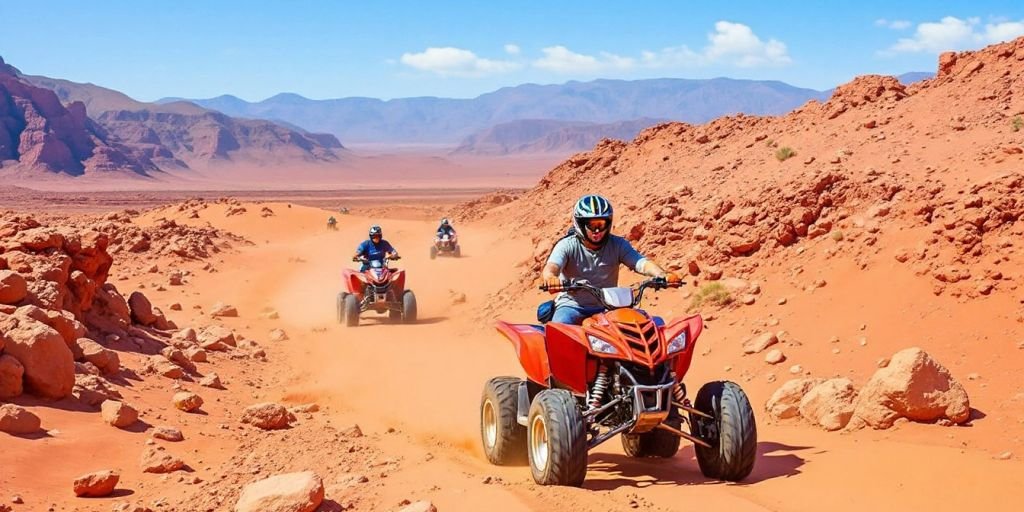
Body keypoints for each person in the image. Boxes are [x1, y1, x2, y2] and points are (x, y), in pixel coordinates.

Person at [541, 194, 680, 325]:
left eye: (601, 224)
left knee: (651, 325)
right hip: (573, 305)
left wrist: (663, 275)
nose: (597, 231)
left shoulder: (618, 244)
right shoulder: (567, 245)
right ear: (580, 224)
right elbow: (552, 267)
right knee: (560, 328)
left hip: (609, 306)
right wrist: (550, 279)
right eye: (592, 225)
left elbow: (641, 263)